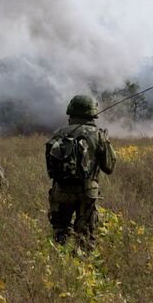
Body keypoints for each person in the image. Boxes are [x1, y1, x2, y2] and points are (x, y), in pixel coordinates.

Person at [45, 95, 116, 249]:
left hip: (61, 190)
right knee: (86, 237)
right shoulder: (98, 134)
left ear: (70, 112)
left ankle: (59, 265)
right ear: (92, 113)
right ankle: (82, 268)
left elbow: (50, 167)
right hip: (87, 192)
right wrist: (105, 141)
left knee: (59, 234)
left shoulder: (59, 133)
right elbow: (109, 167)